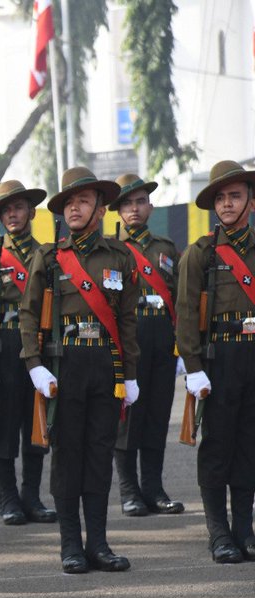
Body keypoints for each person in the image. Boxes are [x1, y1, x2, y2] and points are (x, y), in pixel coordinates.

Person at [20, 167, 139, 574]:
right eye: (68, 202)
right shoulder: (49, 258)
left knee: (99, 455)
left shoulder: (120, 257)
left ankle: (99, 544)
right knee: (67, 456)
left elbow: (126, 321)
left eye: (83, 200)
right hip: (63, 366)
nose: (74, 207)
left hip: (105, 367)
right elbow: (28, 315)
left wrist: (132, 374)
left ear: (101, 208)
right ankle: (70, 544)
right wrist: (34, 364)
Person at [176, 159, 255, 564]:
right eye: (221, 198)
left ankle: (245, 528)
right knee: (217, 448)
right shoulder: (200, 254)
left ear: (250, 201)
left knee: (249, 447)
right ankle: (218, 532)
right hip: (218, 359)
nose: (227, 204)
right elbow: (186, 314)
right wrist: (193, 368)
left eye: (235, 196)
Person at [0, 180, 58, 526]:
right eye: (6, 210)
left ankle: (31, 496)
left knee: (36, 423)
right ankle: (8, 498)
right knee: (4, 426)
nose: (13, 215)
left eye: (18, 208)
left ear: (31, 211)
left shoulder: (46, 256)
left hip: (36, 349)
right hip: (3, 348)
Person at [110, 173, 183, 517]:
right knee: (128, 420)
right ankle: (129, 491)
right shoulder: (109, 250)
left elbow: (182, 301)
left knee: (157, 415)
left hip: (162, 345)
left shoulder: (166, 249)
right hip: (128, 345)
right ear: (118, 210)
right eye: (127, 203)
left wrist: (182, 347)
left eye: (140, 202)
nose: (134, 209)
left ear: (150, 207)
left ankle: (154, 488)